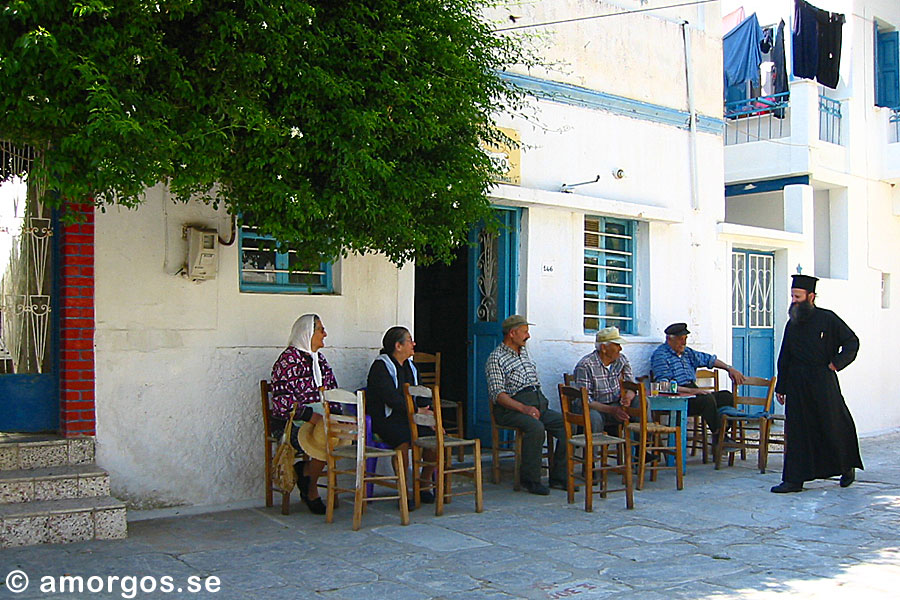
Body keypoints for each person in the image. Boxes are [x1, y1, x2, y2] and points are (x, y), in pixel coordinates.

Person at [770, 274, 863, 493]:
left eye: (798, 296)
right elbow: (785, 356)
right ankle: (794, 479)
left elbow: (852, 342)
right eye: (792, 296)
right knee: (798, 430)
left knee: (833, 424)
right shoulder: (792, 323)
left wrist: (837, 363)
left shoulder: (828, 319)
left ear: (811, 296)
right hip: (797, 383)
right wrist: (781, 386)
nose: (794, 300)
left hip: (822, 380)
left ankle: (846, 466)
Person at [485, 315, 568, 495]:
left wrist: (536, 405)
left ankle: (559, 477)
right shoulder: (496, 358)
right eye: (525, 332)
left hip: (536, 405)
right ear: (512, 333)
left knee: (566, 425)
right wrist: (523, 408)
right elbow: (498, 394)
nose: (528, 336)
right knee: (535, 428)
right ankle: (530, 479)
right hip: (510, 409)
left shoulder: (524, 354)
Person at [270, 314, 337, 515]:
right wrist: (310, 416)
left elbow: (331, 390)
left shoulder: (320, 360)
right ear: (307, 333)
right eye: (320, 330)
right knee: (326, 438)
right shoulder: (288, 360)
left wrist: (335, 414)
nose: (324, 334)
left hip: (318, 421)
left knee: (338, 434)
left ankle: (306, 472)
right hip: (292, 423)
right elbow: (282, 402)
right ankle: (312, 489)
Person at [366, 326, 437, 504]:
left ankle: (424, 482)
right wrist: (417, 411)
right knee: (403, 440)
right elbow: (391, 398)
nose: (414, 344)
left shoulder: (411, 367)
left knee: (435, 441)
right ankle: (404, 490)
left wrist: (428, 414)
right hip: (388, 419)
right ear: (398, 346)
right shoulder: (381, 367)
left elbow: (420, 395)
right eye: (409, 340)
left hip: (411, 418)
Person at [650, 322, 746, 445]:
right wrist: (692, 391)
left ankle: (722, 434)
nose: (683, 343)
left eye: (685, 339)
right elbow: (664, 385)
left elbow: (709, 360)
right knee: (707, 399)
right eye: (680, 339)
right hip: (678, 396)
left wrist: (729, 368)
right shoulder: (661, 355)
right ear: (669, 339)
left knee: (726, 396)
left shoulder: (687, 353)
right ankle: (719, 437)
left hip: (693, 392)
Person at [573, 326, 636, 433]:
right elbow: (586, 400)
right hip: (595, 407)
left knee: (641, 402)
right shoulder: (585, 365)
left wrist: (628, 397)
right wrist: (612, 410)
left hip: (615, 404)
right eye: (617, 345)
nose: (620, 349)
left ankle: (642, 446)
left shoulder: (621, 360)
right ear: (603, 348)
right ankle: (593, 449)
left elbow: (631, 386)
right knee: (594, 417)